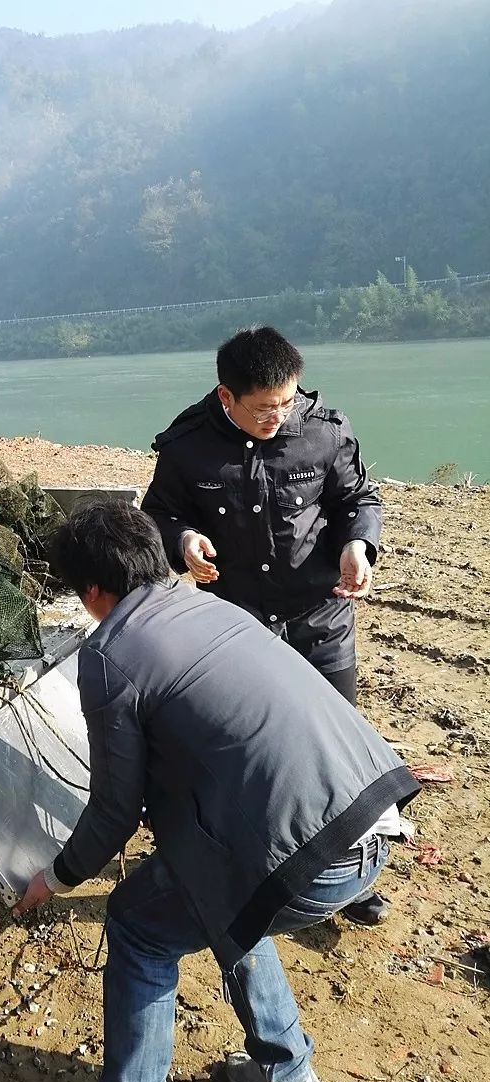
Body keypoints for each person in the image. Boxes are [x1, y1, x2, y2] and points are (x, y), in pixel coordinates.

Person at [14, 500, 419, 1082]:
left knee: (139, 925)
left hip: (309, 860)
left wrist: (56, 878)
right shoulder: (212, 605)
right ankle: (288, 1081)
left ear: (92, 590)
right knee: (222, 894)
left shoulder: (107, 654)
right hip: (374, 819)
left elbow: (115, 811)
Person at [140, 326, 388, 924]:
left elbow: (359, 499)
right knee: (246, 752)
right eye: (263, 408)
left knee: (334, 749)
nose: (279, 416)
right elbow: (160, 513)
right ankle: (253, 864)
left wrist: (359, 545)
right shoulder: (188, 446)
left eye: (287, 401)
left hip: (319, 616)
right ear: (227, 397)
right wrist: (183, 541)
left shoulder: (324, 430)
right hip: (238, 628)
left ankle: (349, 877)